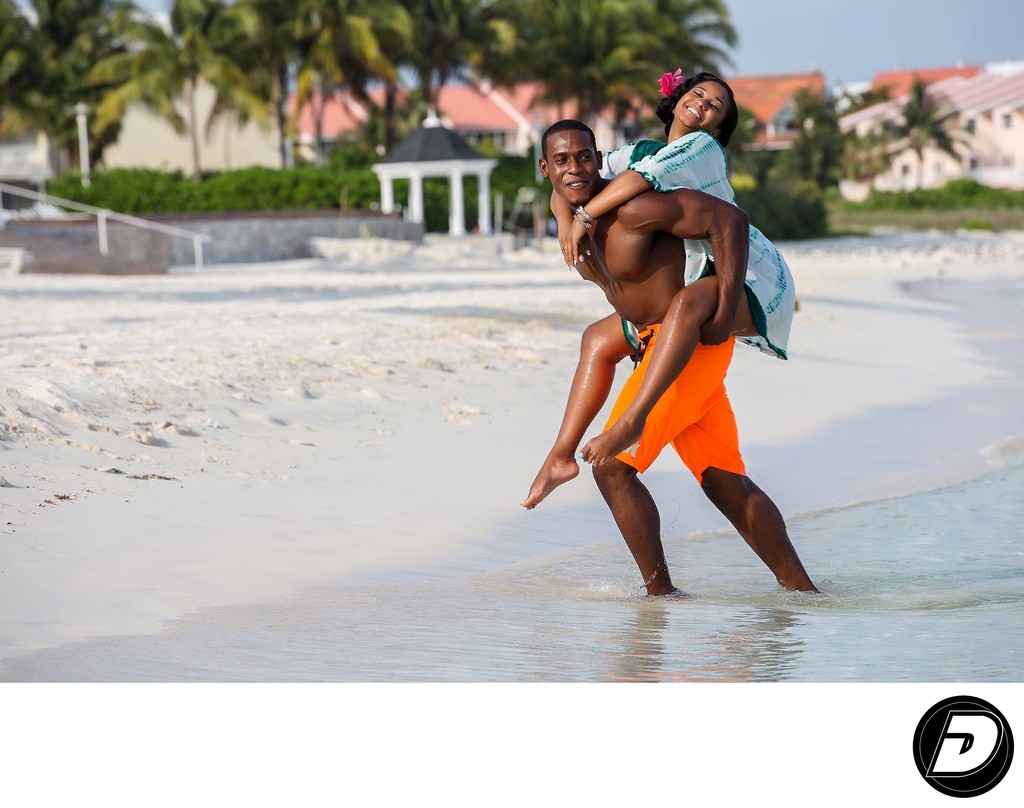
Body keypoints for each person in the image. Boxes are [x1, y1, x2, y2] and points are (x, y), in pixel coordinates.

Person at [523, 119, 816, 596]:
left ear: (599, 159)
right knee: (725, 482)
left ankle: (660, 599)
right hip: (657, 341)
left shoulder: (634, 209)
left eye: (584, 157)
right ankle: (806, 596)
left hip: (685, 346)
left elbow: (729, 221)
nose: (575, 168)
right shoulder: (568, 205)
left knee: (613, 465)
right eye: (562, 160)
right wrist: (564, 217)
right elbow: (563, 195)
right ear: (545, 168)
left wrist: (722, 308)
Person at [551, 71, 795, 465]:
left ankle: (634, 419)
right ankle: (559, 456)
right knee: (598, 338)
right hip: (699, 278)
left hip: (749, 275)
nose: (703, 103)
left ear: (718, 126)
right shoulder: (644, 149)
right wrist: (566, 218)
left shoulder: (703, 147)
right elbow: (577, 175)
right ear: (678, 96)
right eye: (698, 93)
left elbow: (639, 179)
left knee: (686, 305)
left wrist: (582, 218)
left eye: (715, 106)